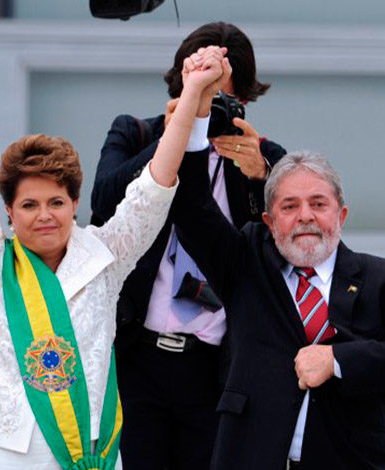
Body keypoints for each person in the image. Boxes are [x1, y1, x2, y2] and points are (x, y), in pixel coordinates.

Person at [0, 39, 229, 469]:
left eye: (56, 203)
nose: (44, 216)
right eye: (29, 206)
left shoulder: (106, 256)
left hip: (82, 451)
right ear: (9, 213)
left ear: (75, 205)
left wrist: (190, 95)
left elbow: (155, 187)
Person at [90, 22, 286, 469]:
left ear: (244, 100)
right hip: (138, 354)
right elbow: (103, 202)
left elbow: (281, 250)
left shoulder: (260, 156)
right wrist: (177, 134)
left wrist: (263, 176)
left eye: (219, 99)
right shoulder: (136, 133)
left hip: (215, 365)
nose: (207, 106)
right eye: (200, 91)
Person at [172, 147, 385, 469]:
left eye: (318, 204)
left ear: (341, 215)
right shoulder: (244, 265)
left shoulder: (377, 277)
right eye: (290, 206)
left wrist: (341, 360)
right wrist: (196, 121)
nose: (305, 216)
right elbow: (191, 206)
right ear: (270, 222)